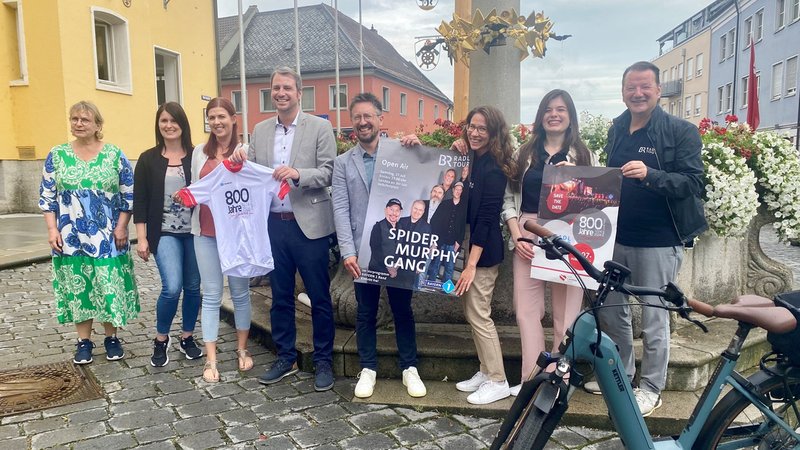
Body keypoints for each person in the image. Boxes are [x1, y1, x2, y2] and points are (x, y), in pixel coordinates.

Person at [592, 61, 707, 416]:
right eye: (631, 88)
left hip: (659, 240)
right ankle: (622, 376)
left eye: (645, 87)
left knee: (655, 318)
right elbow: (610, 178)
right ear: (622, 91)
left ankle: (652, 387)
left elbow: (694, 183)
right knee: (613, 313)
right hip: (615, 239)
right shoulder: (616, 129)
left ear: (658, 91)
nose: (637, 94)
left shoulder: (680, 131)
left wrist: (651, 175)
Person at [247, 67, 337, 392]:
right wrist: (237, 161)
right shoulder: (258, 131)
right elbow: (251, 173)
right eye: (276, 88)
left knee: (320, 297)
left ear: (300, 93)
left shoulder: (320, 127)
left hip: (309, 226)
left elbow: (329, 172)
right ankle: (286, 357)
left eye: (287, 87)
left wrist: (298, 174)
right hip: (274, 225)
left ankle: (323, 361)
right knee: (280, 297)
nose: (281, 93)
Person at [500, 89, 596, 396]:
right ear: (541, 116)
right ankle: (532, 377)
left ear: (570, 116)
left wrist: (581, 178)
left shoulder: (585, 154)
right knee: (526, 310)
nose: (554, 114)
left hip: (568, 234)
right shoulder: (524, 153)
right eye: (548, 110)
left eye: (561, 109)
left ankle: (559, 378)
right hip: (528, 230)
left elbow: (599, 200)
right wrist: (516, 235)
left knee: (566, 314)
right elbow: (508, 199)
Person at [332, 92, 426, 399]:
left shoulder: (401, 152)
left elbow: (422, 180)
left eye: (368, 116)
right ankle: (368, 368)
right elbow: (340, 209)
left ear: (380, 118)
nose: (362, 122)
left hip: (399, 247)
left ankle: (409, 368)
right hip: (364, 250)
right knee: (365, 312)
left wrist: (418, 151)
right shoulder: (343, 163)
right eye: (357, 117)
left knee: (402, 310)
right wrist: (347, 250)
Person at [39, 101, 139, 365]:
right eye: (74, 119)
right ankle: (84, 341)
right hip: (71, 237)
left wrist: (121, 226)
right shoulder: (57, 155)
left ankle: (111, 338)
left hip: (107, 236)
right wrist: (52, 230)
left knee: (107, 284)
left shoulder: (114, 155)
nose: (78, 124)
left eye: (85, 119)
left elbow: (129, 194)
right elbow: (47, 196)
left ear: (98, 125)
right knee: (79, 287)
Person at [451, 106, 516, 405]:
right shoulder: (473, 160)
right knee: (471, 312)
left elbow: (488, 217)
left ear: (494, 133)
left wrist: (471, 265)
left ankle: (498, 379)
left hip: (483, 252)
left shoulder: (494, 168)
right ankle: (484, 369)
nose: (474, 133)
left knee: (480, 314)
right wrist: (455, 152)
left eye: (482, 129)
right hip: (468, 247)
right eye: (471, 127)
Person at [190, 97, 254, 383]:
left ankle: (242, 349)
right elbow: (195, 188)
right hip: (205, 233)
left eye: (221, 117)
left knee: (240, 293)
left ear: (233, 118)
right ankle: (211, 358)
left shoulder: (246, 151)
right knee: (212, 294)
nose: (216, 122)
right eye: (211, 117)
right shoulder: (198, 153)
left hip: (237, 236)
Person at [134, 102, 202, 367]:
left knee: (194, 287)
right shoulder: (148, 158)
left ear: (183, 124)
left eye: (174, 120)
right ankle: (161, 339)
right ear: (158, 124)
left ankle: (187, 336)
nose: (169, 125)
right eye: (164, 120)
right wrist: (141, 238)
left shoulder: (196, 156)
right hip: (164, 234)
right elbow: (139, 201)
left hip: (195, 232)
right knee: (172, 287)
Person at [426, 181, 467, 283]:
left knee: (450, 267)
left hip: (453, 242)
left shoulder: (464, 208)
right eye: (456, 189)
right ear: (453, 191)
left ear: (462, 192)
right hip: (440, 240)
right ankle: (431, 284)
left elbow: (463, 226)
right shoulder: (444, 204)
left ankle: (446, 289)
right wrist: (435, 239)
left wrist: (459, 241)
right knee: (436, 263)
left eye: (460, 190)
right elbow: (434, 220)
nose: (458, 191)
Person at [368, 199, 404, 278]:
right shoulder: (377, 227)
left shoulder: (402, 228)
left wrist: (396, 267)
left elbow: (404, 249)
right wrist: (389, 268)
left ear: (400, 213)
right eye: (391, 209)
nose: (394, 213)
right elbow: (375, 249)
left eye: (397, 210)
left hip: (396, 270)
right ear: (386, 210)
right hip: (377, 269)